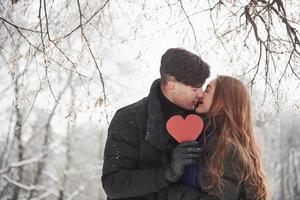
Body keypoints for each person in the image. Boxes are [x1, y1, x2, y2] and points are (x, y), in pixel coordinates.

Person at [101, 48, 213, 199]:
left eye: (202, 87)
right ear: (172, 85)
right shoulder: (128, 119)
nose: (200, 93)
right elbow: (114, 185)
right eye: (195, 88)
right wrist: (168, 172)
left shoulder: (202, 121)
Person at [167, 75, 269, 200]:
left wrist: (173, 192)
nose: (200, 94)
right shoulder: (204, 137)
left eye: (207, 90)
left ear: (223, 100)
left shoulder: (226, 147)